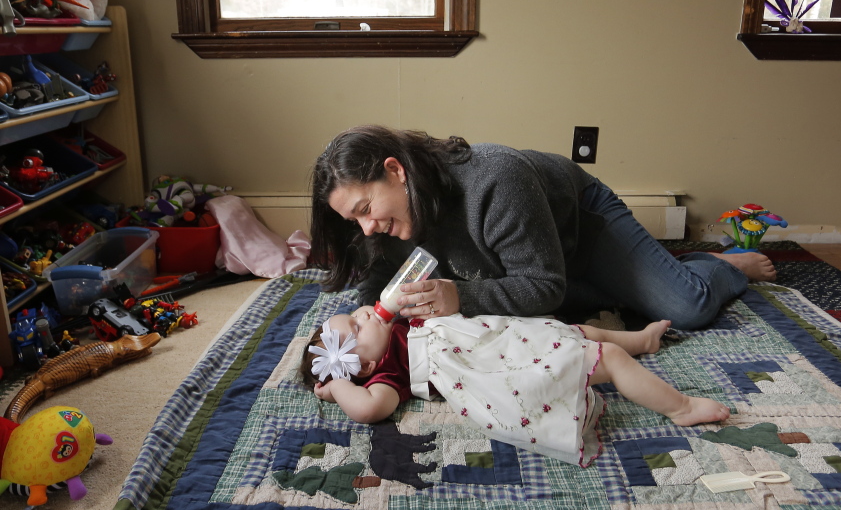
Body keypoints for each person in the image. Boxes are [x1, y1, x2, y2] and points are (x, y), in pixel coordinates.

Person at [310, 125, 775, 331]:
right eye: (356, 220)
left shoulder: (495, 179)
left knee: (687, 305)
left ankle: (717, 266)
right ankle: (647, 273)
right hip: (522, 261)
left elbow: (545, 287)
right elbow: (378, 275)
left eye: (366, 209)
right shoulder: (383, 221)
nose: (368, 228)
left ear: (395, 170)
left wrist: (461, 297)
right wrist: (359, 313)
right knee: (579, 310)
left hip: (579, 226)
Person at [300, 306, 730, 467]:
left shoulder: (393, 324)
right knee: (606, 360)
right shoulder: (387, 376)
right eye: (356, 325)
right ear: (365, 365)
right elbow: (368, 410)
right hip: (496, 367)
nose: (362, 311)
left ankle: (643, 340)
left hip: (503, 337)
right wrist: (337, 388)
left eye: (353, 313)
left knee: (581, 331)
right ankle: (681, 407)